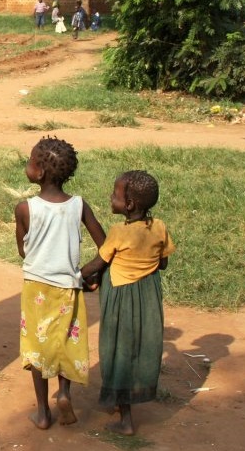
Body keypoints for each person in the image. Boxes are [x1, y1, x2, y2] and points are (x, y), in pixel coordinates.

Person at [15, 136, 105, 430]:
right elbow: (105, 245)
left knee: (37, 346)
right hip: (69, 286)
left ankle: (43, 412)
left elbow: (23, 251)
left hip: (36, 288)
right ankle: (64, 393)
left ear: (40, 172)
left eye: (30, 161)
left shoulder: (25, 209)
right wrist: (89, 272)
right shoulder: (78, 205)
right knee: (65, 340)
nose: (27, 165)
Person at [80, 170, 176, 436]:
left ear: (130, 204)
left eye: (115, 195)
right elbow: (163, 263)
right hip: (148, 295)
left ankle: (126, 420)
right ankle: (128, 399)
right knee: (139, 348)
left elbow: (98, 263)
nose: (111, 198)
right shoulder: (159, 227)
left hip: (120, 295)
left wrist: (76, 276)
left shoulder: (118, 232)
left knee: (118, 349)